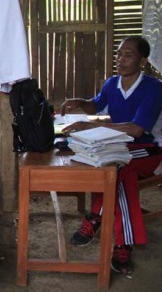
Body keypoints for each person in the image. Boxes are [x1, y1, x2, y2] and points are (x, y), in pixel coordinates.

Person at [60, 35, 162, 274]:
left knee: (118, 170)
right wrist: (80, 102)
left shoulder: (154, 88)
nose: (120, 59)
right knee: (100, 162)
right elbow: (96, 105)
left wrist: (90, 126)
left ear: (143, 61)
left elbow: (137, 130)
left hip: (149, 150)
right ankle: (101, 219)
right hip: (120, 146)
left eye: (128, 55)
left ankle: (116, 237)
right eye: (119, 54)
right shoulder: (112, 84)